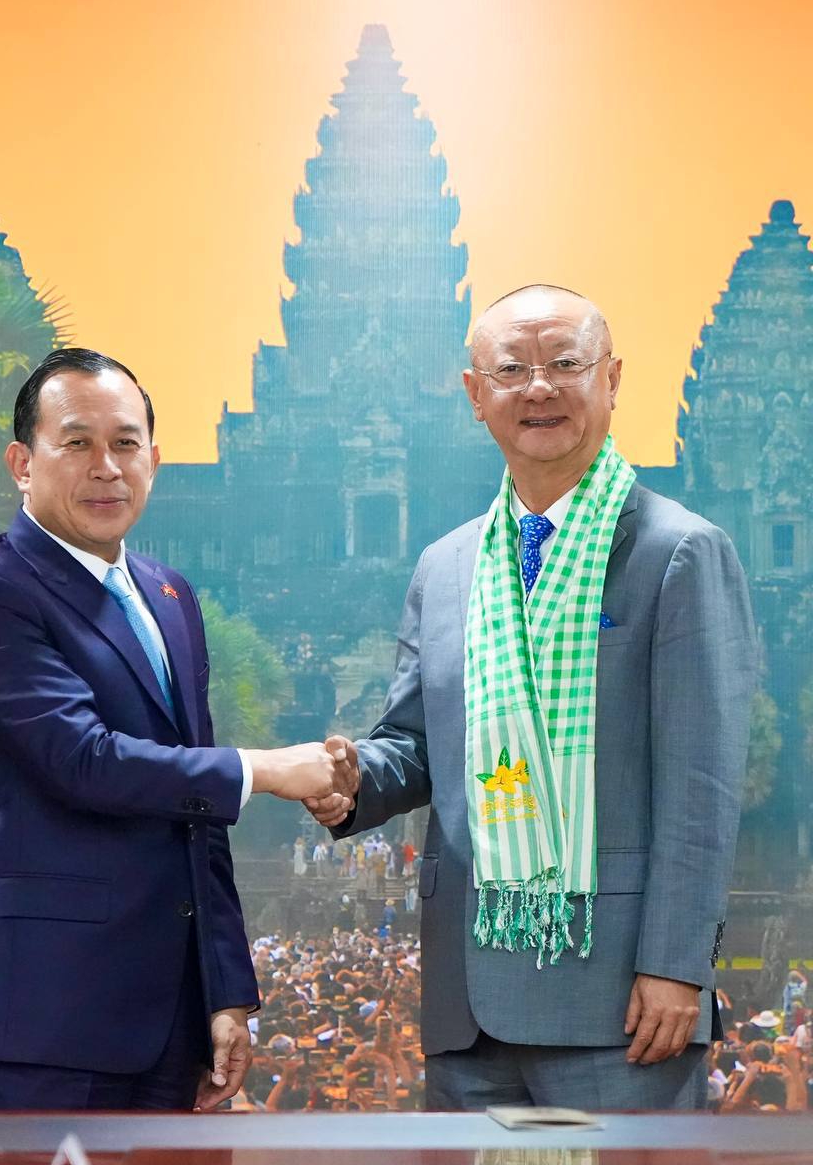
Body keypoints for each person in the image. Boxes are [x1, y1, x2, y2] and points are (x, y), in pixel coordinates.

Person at [306, 286, 755, 1110]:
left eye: (565, 364)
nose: (539, 388)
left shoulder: (679, 552)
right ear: (476, 395)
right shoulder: (447, 567)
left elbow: (702, 785)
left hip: (621, 1004)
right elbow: (417, 745)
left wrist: (676, 963)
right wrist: (350, 778)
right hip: (467, 1006)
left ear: (611, 379)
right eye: (511, 370)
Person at [0, 348, 353, 1112]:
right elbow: (85, 761)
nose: (106, 467)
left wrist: (225, 993)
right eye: (77, 442)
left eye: (125, 443)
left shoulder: (168, 597)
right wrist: (264, 770)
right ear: (23, 463)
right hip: (44, 1024)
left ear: (153, 461)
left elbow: (196, 822)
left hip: (173, 1031)